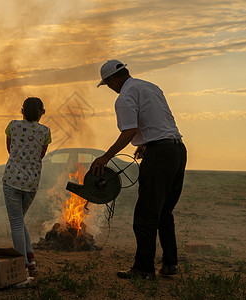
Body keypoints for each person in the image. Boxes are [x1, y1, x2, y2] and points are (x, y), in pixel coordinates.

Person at [91, 59, 187, 279]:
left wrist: (106, 157)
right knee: (164, 212)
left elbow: (130, 130)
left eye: (107, 84)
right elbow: (158, 120)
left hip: (160, 156)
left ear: (112, 79)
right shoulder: (150, 86)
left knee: (145, 216)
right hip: (178, 151)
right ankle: (170, 264)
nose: (110, 89)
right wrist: (145, 144)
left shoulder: (124, 97)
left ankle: (143, 269)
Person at [2, 97, 52, 275]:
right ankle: (30, 261)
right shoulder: (45, 131)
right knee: (20, 220)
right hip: (31, 183)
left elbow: (10, 149)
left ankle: (22, 265)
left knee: (15, 222)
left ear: (22, 111)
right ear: (42, 113)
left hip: (12, 180)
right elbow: (41, 155)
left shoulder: (13, 126)